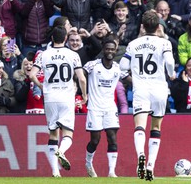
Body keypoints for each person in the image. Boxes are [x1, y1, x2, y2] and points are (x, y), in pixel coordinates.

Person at [119, 10, 176, 181]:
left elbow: (122, 65)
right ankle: (150, 166)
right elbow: (170, 62)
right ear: (158, 27)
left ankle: (141, 157)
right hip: (159, 88)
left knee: (139, 127)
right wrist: (171, 73)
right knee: (156, 128)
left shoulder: (133, 44)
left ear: (142, 26)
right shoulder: (164, 43)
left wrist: (131, 73)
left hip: (141, 88)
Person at [29, 26, 87, 177]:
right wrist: (85, 96)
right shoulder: (72, 55)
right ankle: (61, 151)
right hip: (66, 97)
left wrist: (41, 85)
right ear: (66, 39)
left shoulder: (44, 54)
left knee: (53, 134)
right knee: (67, 133)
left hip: (50, 97)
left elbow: (32, 74)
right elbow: (81, 78)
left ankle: (55, 172)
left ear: (52, 39)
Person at [83, 38, 122, 178]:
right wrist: (81, 90)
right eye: (107, 49)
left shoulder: (117, 68)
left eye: (112, 49)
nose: (110, 51)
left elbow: (129, 78)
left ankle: (112, 171)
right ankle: (88, 162)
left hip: (110, 108)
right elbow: (80, 74)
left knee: (112, 138)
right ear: (103, 50)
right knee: (95, 140)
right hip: (94, 108)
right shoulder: (93, 65)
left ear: (116, 51)